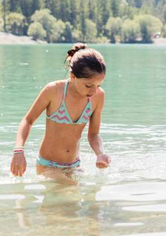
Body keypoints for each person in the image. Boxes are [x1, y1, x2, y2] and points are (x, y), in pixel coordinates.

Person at [10, 44, 110, 181]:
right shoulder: (54, 91)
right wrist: (18, 151)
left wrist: (100, 153)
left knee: (87, 199)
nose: (93, 91)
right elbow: (28, 121)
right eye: (88, 85)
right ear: (73, 76)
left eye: (98, 85)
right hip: (48, 165)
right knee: (71, 193)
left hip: (74, 165)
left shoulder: (98, 96)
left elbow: (93, 135)